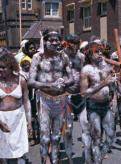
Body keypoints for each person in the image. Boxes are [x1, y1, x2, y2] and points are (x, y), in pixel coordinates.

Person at [28, 29, 73, 164]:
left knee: (56, 136)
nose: (55, 43)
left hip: (60, 100)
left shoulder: (63, 57)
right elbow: (31, 81)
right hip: (44, 99)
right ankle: (45, 159)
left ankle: (54, 159)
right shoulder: (38, 57)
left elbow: (71, 78)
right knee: (45, 136)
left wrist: (64, 82)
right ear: (45, 41)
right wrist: (48, 86)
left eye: (57, 40)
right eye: (51, 40)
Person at [80, 41, 116, 164]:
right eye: (96, 51)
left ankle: (97, 159)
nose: (100, 54)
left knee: (111, 136)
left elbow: (112, 83)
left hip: (106, 106)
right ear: (89, 54)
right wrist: (103, 84)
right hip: (93, 107)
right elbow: (84, 93)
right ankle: (96, 161)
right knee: (97, 137)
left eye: (101, 51)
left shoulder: (106, 66)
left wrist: (113, 90)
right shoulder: (86, 70)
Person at [0, 47, 31, 163]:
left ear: (11, 66)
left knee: (17, 153)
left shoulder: (21, 80)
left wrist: (29, 122)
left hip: (18, 119)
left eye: (3, 67)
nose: (0, 70)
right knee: (2, 154)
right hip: (1, 119)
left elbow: (26, 101)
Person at [62, 34, 86, 163]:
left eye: (77, 43)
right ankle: (69, 156)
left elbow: (85, 73)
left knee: (86, 124)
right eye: (73, 43)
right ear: (68, 43)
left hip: (80, 96)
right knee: (68, 129)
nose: (76, 46)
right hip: (66, 96)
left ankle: (88, 155)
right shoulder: (60, 57)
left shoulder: (81, 57)